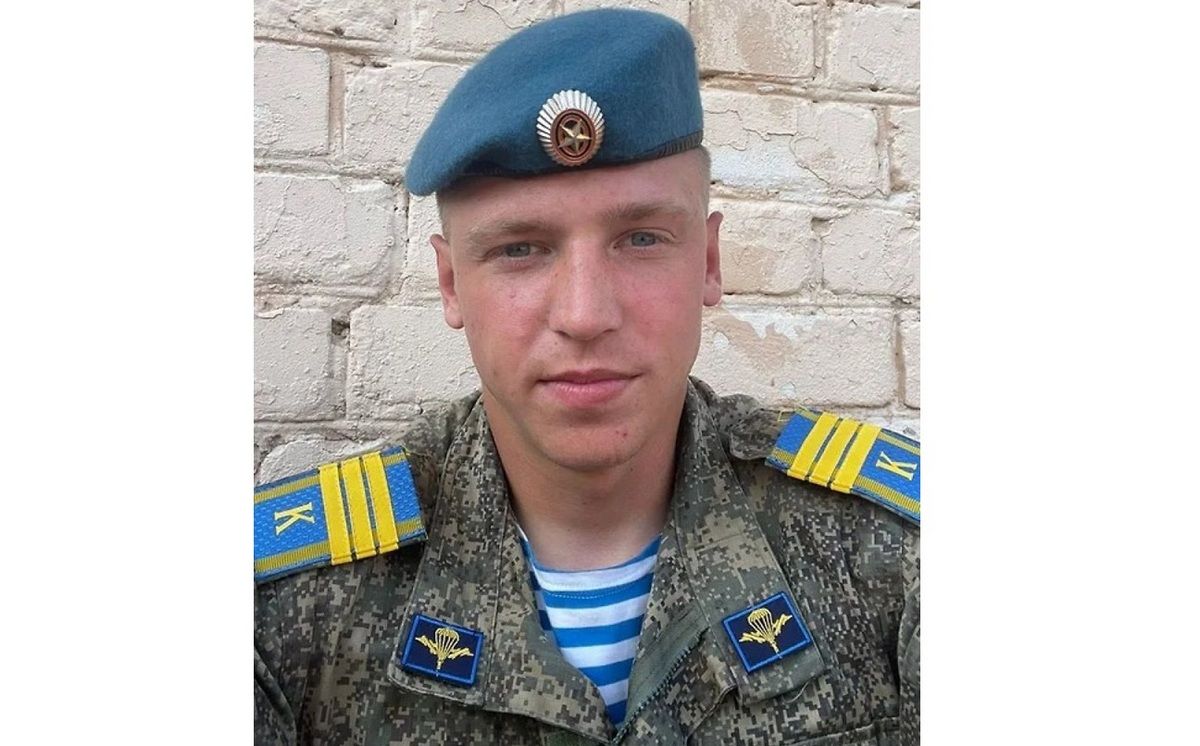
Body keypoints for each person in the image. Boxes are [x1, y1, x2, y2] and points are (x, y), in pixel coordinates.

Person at [254, 8, 919, 745]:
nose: (584, 314)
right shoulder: (282, 608)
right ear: (450, 284)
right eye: (519, 249)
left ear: (707, 261)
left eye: (641, 238)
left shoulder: (890, 554)